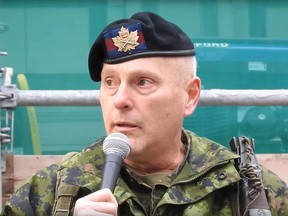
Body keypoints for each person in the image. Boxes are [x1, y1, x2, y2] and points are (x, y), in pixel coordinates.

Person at [1, 12, 288, 216]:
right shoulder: (50, 192)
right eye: (110, 82)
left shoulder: (249, 191)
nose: (120, 99)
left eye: (143, 82)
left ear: (189, 96)